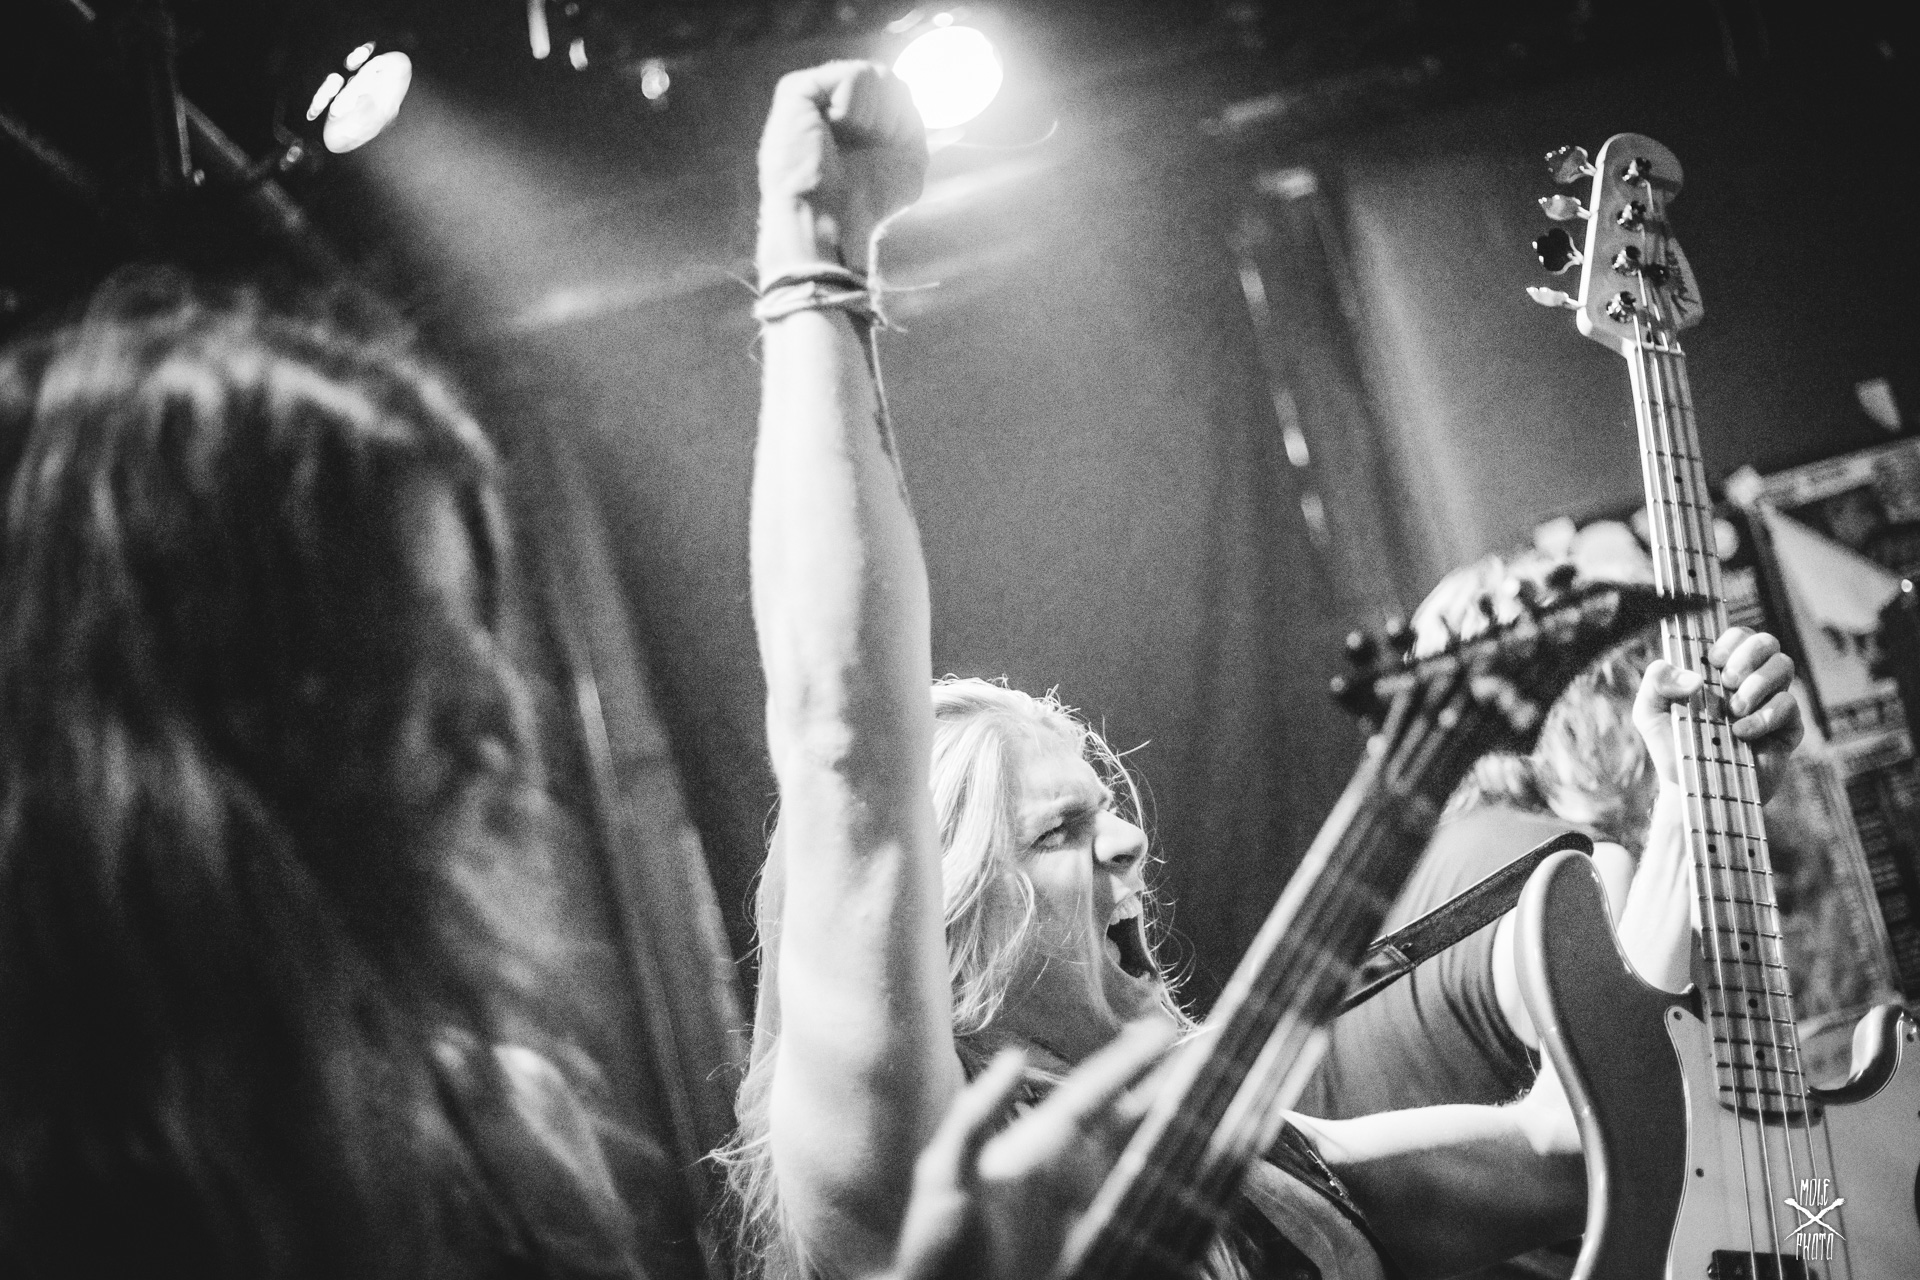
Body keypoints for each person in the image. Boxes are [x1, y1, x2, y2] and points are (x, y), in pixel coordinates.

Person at [722, 59, 1802, 1280]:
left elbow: (1574, 1143)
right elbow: (846, 748)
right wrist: (814, 259)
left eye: (1103, 806)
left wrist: (1692, 800)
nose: (1128, 838)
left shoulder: (1266, 1161)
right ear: (944, 938)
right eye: (1057, 830)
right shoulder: (906, 1183)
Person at [0, 267, 1148, 1280]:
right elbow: (847, 735)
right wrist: (815, 259)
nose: (493, 722)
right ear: (165, 736)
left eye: (478, 638)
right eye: (402, 660)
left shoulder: (503, 1137)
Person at [1299, 533, 1802, 1280]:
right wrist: (1697, 803)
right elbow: (1654, 1124)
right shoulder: (1579, 872)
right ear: (1602, 708)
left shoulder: (1400, 883)